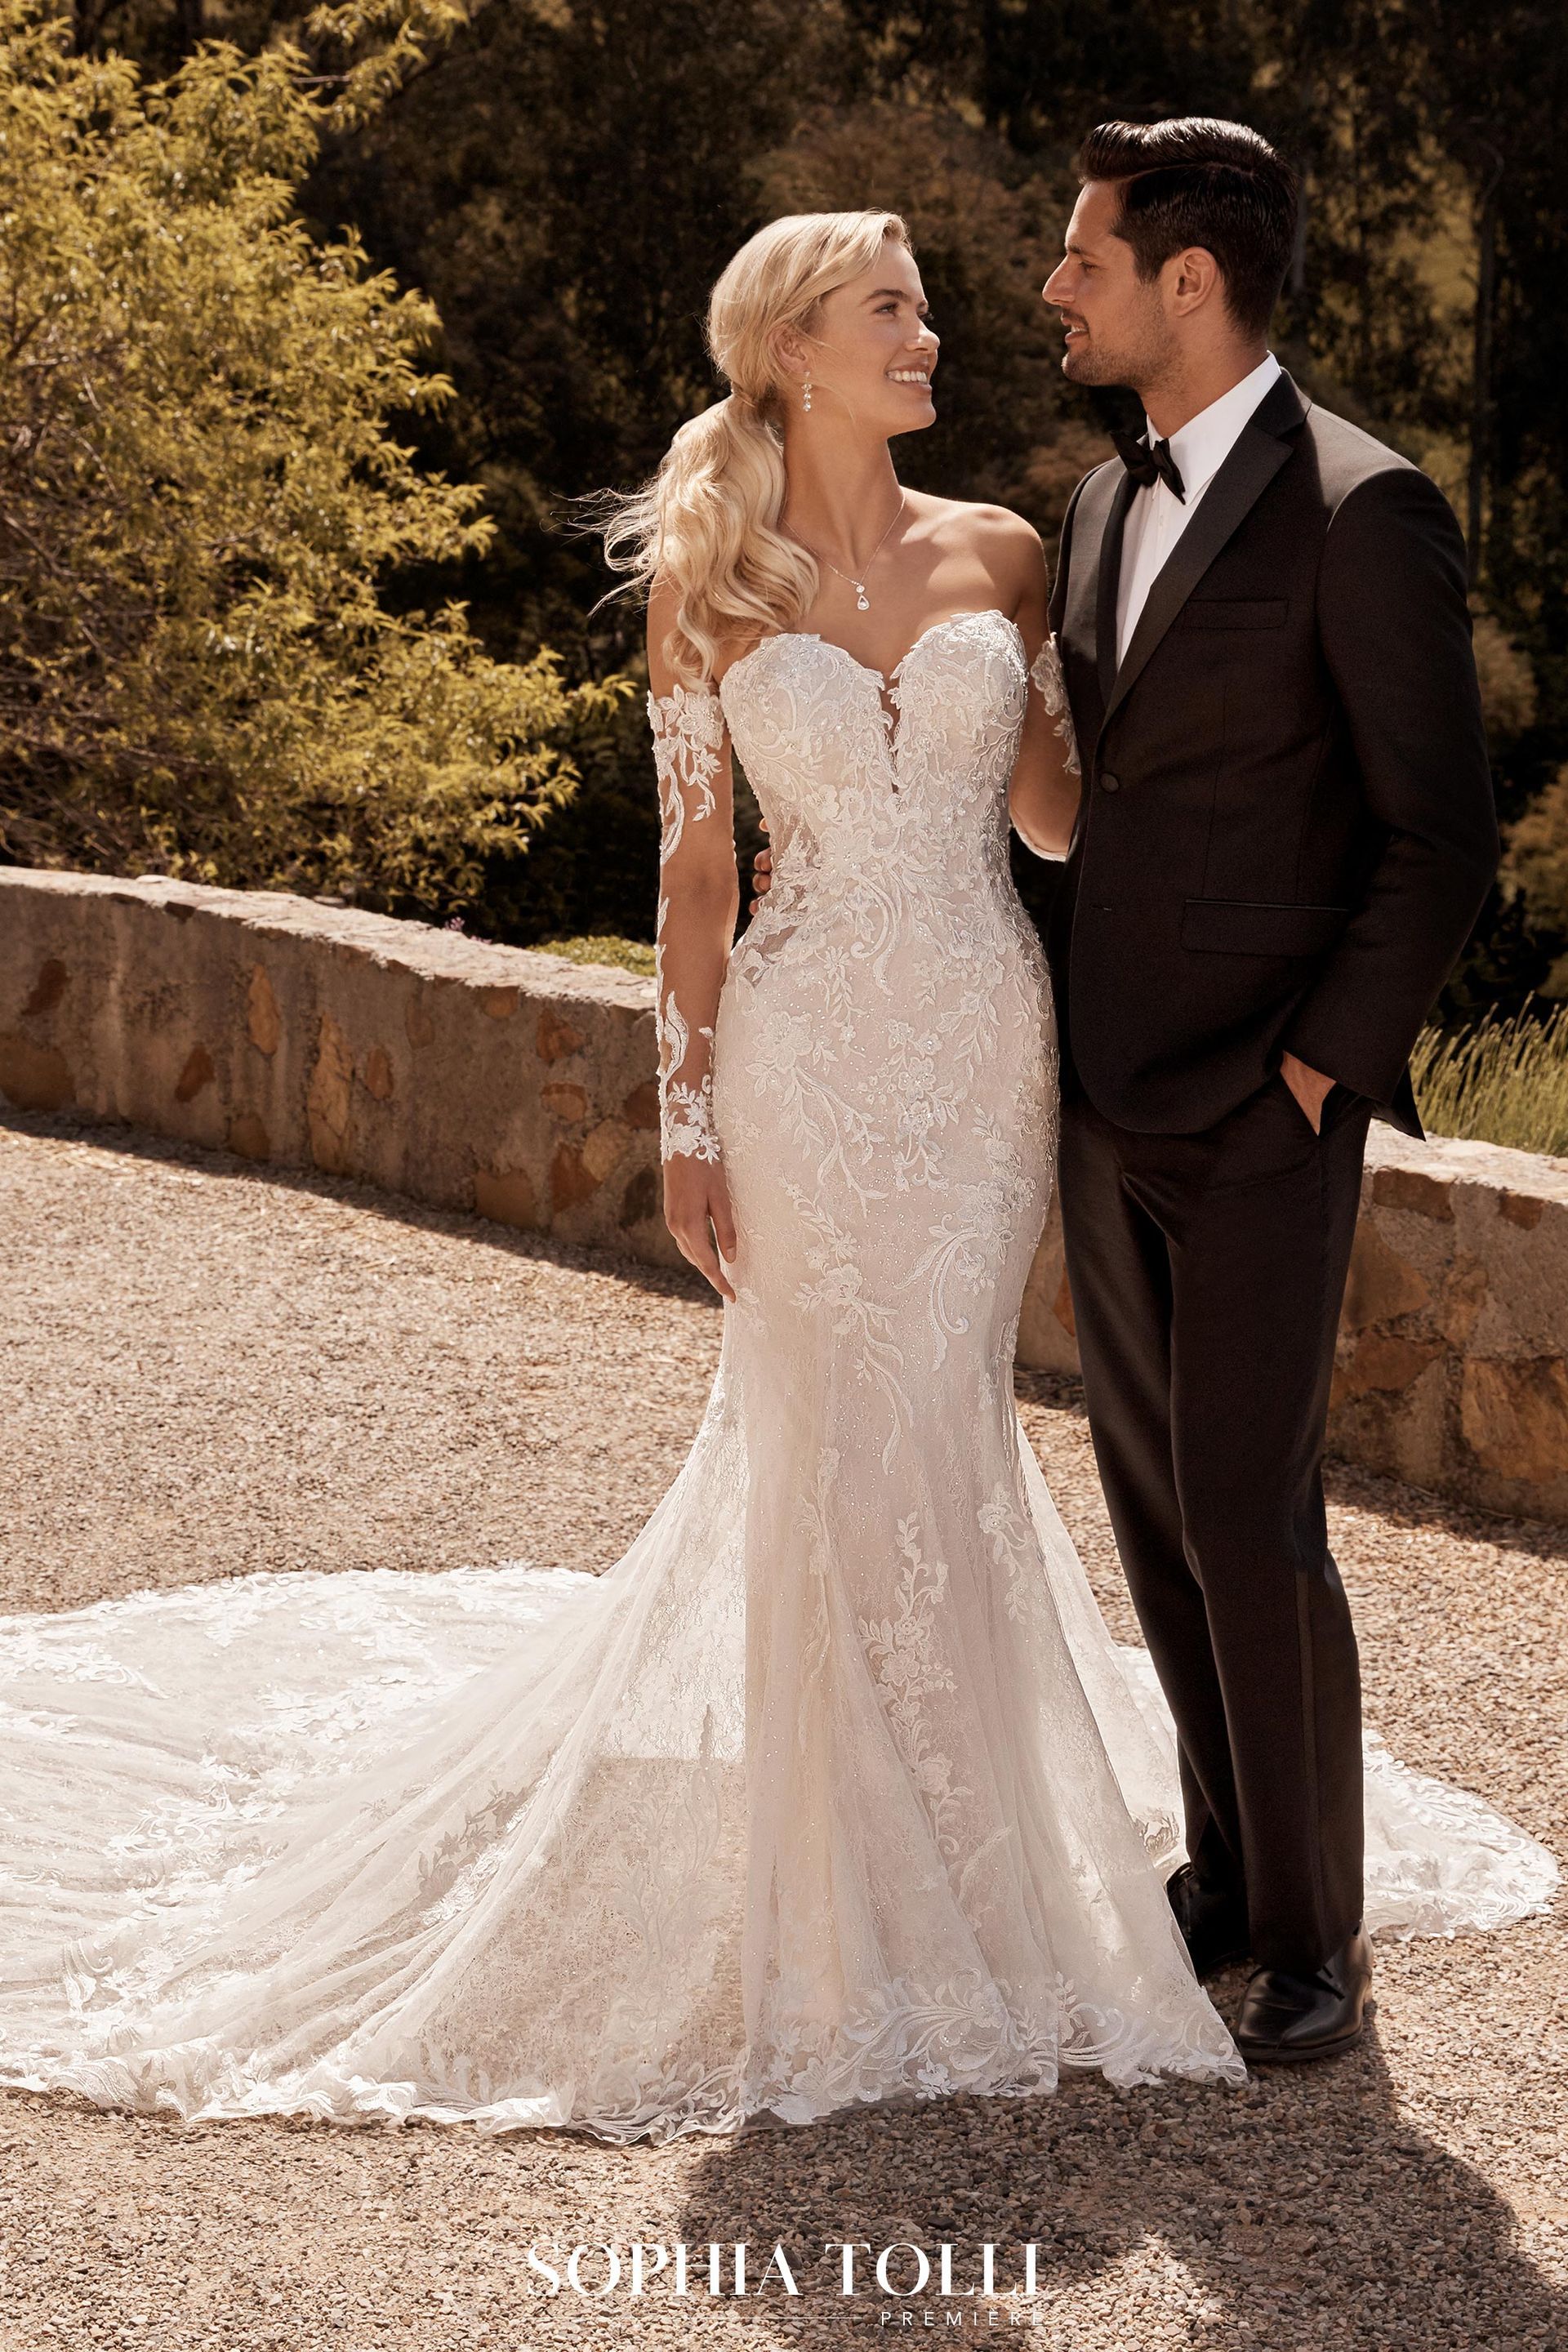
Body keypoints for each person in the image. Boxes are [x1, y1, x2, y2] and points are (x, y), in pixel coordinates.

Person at [0, 211, 1552, 2150]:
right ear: (795, 348)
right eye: (891, 309)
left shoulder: (1012, 544)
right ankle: (839, 1891)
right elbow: (695, 877)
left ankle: (980, 1865)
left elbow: (1074, 818)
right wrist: (690, 1120)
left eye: (919, 307)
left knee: (954, 1439)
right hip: (811, 1063)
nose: (935, 331)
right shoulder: (709, 584)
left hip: (986, 1051)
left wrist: (1231, 835)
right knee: (830, 1437)